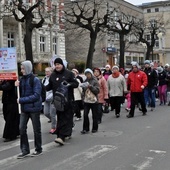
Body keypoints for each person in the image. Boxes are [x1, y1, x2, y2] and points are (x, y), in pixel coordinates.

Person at [45, 58, 78, 145]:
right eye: (56, 64)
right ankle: (62, 134)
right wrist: (41, 87)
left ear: (62, 65)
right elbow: (49, 87)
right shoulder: (53, 75)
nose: (57, 66)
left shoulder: (69, 74)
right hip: (58, 101)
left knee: (66, 118)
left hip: (68, 100)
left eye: (59, 64)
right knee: (60, 118)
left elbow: (76, 84)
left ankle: (61, 136)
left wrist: (69, 84)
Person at [15, 60, 42, 159]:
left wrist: (21, 100)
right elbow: (18, 95)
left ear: (27, 68)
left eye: (23, 68)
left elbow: (36, 95)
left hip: (34, 108)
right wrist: (16, 87)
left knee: (36, 130)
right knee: (21, 129)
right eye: (21, 68)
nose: (21, 70)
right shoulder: (21, 80)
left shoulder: (35, 80)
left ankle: (38, 149)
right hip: (24, 109)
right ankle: (25, 150)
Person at [80, 68, 100, 134]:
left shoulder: (95, 81)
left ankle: (95, 128)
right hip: (86, 100)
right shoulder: (85, 80)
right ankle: (85, 128)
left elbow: (97, 91)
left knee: (94, 115)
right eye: (86, 74)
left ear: (91, 74)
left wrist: (90, 86)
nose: (87, 75)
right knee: (85, 114)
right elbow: (83, 91)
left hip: (94, 101)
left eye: (88, 74)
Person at [42, 67, 57, 134]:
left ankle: (53, 127)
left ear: (51, 72)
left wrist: (51, 96)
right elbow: (43, 88)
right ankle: (54, 121)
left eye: (48, 71)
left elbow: (54, 89)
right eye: (46, 71)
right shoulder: (44, 79)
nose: (47, 73)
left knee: (52, 113)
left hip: (52, 98)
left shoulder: (53, 78)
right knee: (46, 113)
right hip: (46, 99)